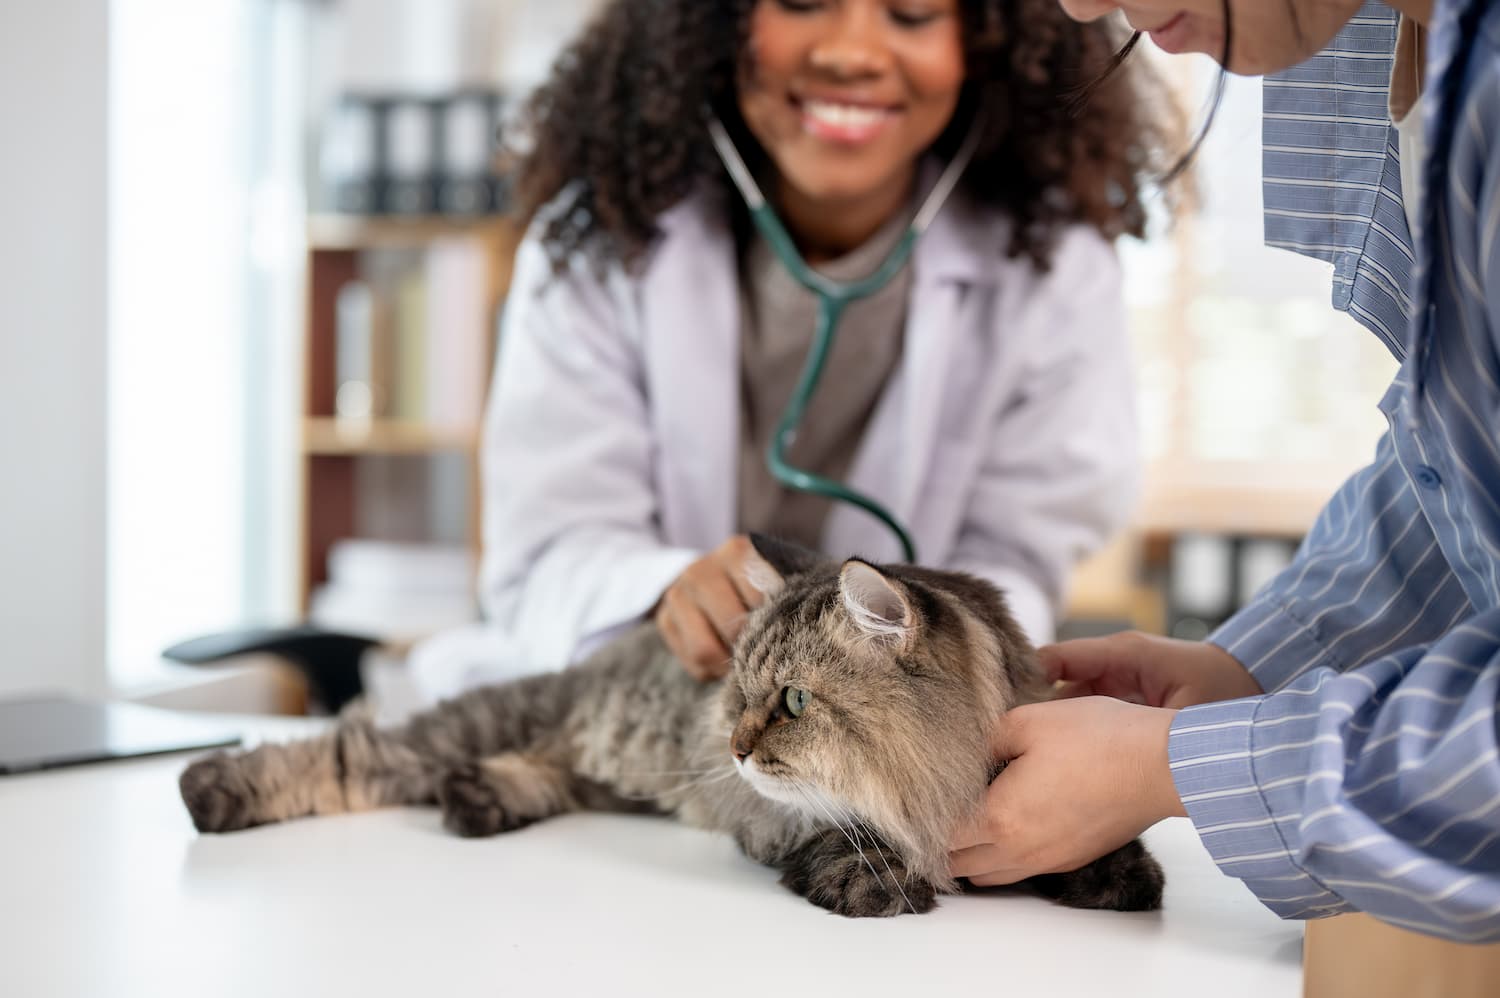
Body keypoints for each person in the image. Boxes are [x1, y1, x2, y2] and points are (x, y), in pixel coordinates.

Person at [410, 0, 1171, 696]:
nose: (852, 52)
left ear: (985, 44)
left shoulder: (1050, 270)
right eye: (803, 0)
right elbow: (547, 558)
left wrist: (913, 647)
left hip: (875, 736)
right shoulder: (601, 240)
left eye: (911, 12)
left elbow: (1015, 567)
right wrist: (666, 592)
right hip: (635, 711)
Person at [951, 0, 1500, 943]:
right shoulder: (1386, 38)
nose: (1081, 7)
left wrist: (1173, 766)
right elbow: (1459, 466)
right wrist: (1247, 667)